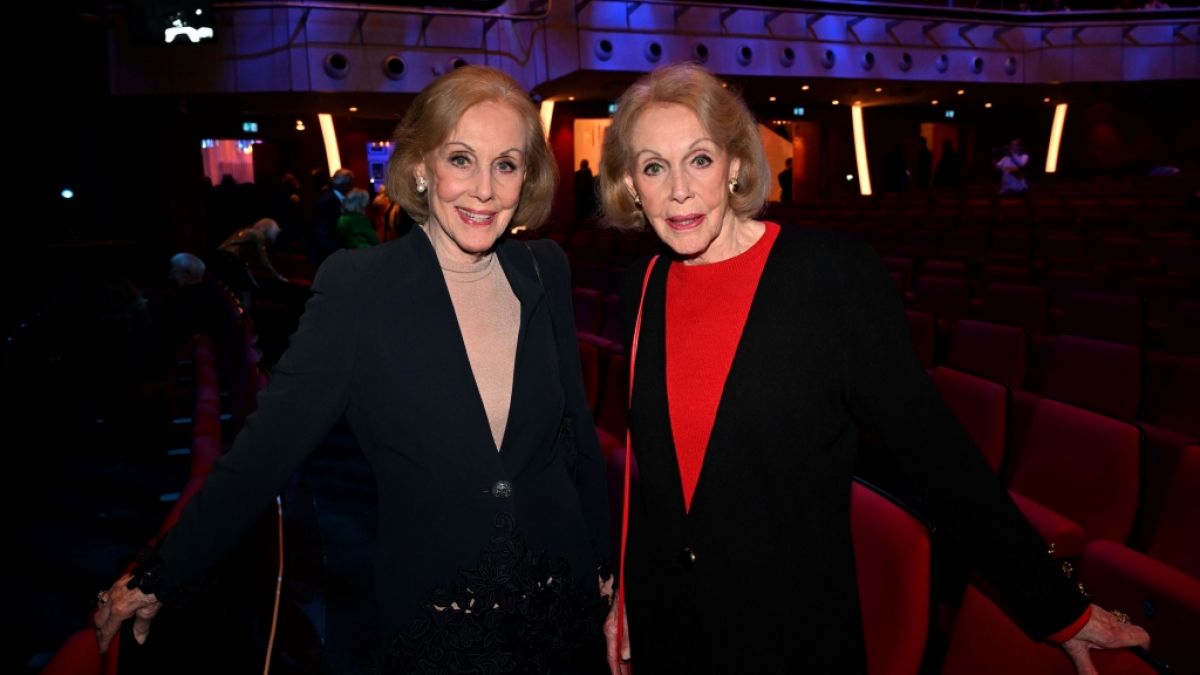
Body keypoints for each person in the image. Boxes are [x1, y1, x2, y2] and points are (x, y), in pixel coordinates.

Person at [597, 63, 1149, 674]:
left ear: (733, 164)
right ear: (630, 184)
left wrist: (1058, 608)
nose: (678, 190)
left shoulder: (831, 275)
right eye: (654, 167)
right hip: (674, 629)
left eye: (698, 159)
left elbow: (936, 453)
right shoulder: (641, 283)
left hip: (791, 634)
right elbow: (652, 479)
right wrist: (628, 592)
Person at [94, 65, 612, 673]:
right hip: (440, 616)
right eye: (461, 159)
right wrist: (160, 571)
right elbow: (267, 448)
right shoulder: (359, 287)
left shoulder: (543, 268)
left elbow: (576, 435)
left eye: (506, 164)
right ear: (421, 166)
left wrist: (607, 573)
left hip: (565, 603)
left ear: (527, 177)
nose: (485, 189)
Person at [312, 167, 355, 263]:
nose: (352, 187)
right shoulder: (329, 201)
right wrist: (337, 254)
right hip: (327, 255)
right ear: (345, 185)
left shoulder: (332, 197)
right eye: (351, 183)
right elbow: (323, 232)